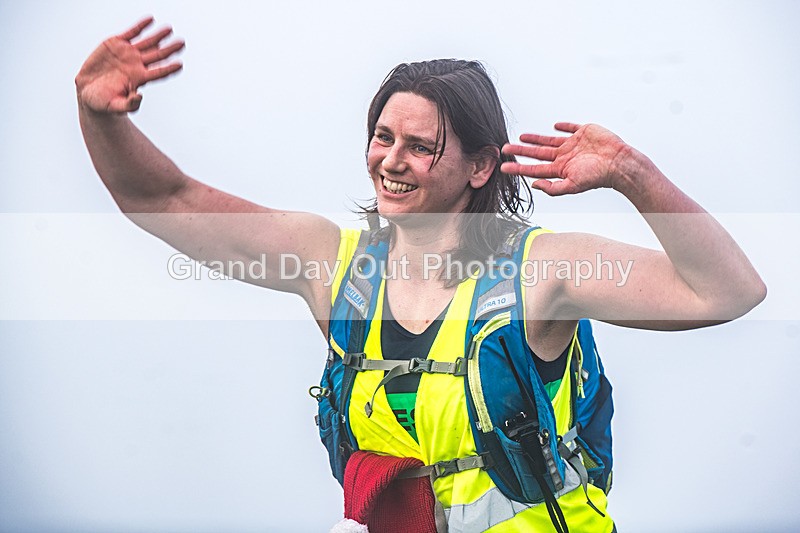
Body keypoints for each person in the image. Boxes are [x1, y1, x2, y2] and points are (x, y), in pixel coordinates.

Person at [75, 17, 766, 533]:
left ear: (479, 166)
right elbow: (166, 200)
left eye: (420, 146)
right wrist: (97, 117)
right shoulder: (333, 266)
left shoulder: (541, 269)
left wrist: (631, 174)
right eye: (383, 137)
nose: (391, 161)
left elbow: (727, 291)